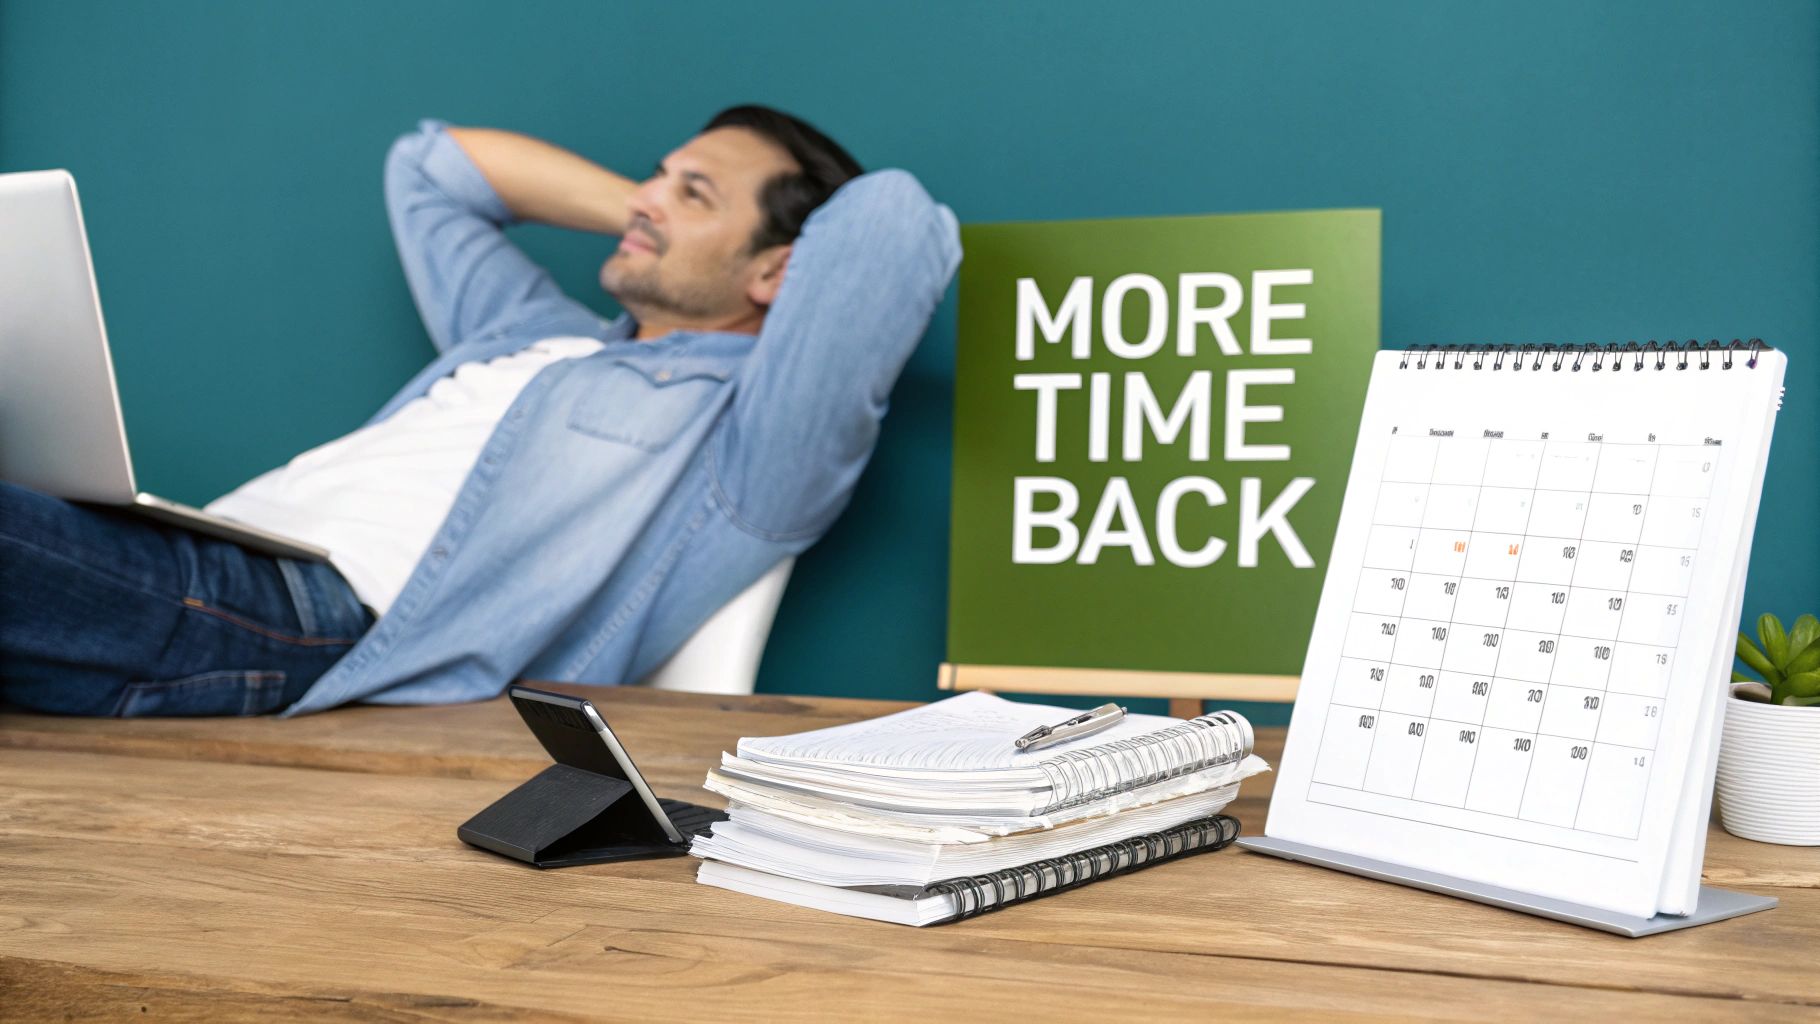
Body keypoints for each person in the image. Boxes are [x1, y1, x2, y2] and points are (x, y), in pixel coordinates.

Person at [0, 106, 960, 717]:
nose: (652, 198)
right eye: (655, 176)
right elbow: (430, 169)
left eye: (691, 189)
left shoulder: (748, 448)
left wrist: (707, 231)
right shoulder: (531, 327)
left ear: (778, 270)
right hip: (190, 554)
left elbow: (895, 224)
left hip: (306, 628)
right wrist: (654, 208)